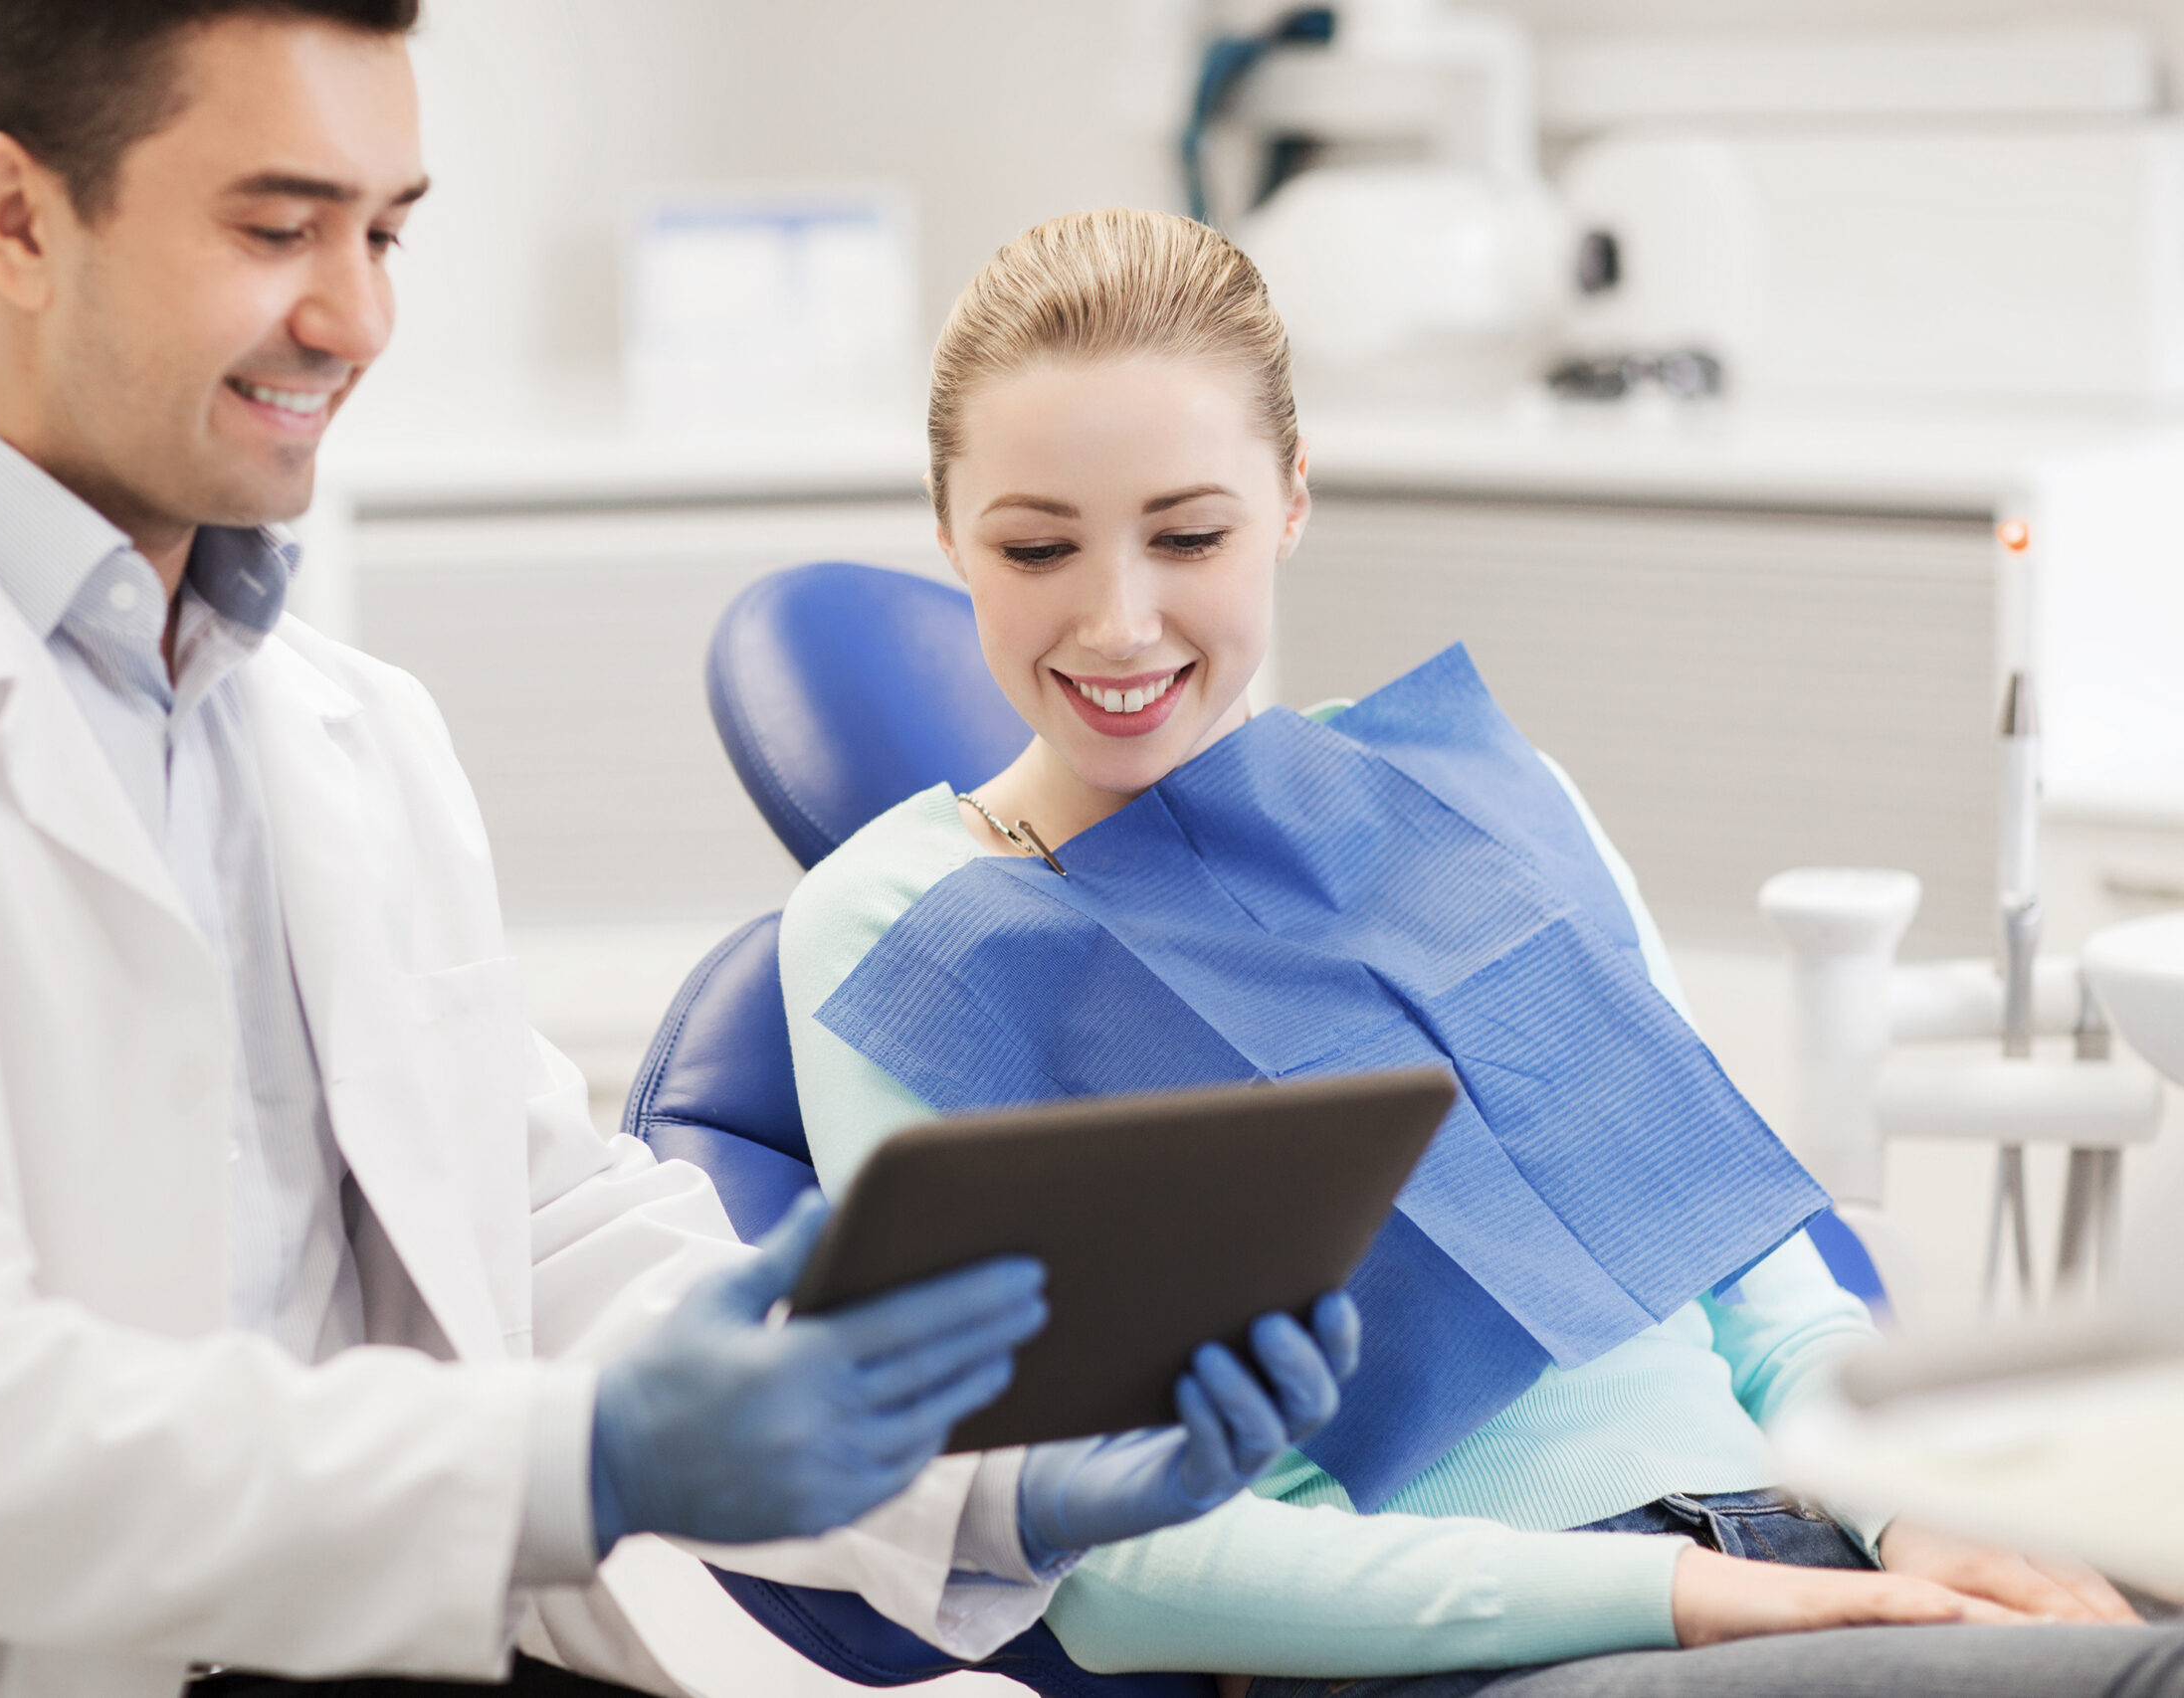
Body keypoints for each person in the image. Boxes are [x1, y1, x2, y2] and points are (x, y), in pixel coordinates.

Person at [0, 14, 1363, 1696]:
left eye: (384, 231)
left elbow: (540, 1242)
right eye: (276, 227)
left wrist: (990, 1480)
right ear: (17, 217)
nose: (356, 315)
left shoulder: (349, 729)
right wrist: (586, 1460)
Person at [778, 207, 2184, 1698]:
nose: (1118, 622)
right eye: (1037, 546)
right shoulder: (905, 933)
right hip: (1527, 1644)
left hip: (1820, 1556)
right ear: (948, 532)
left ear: (1295, 501)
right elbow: (1111, 1574)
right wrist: (1695, 1600)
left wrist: (1929, 1523)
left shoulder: (1476, 794)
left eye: (1190, 535)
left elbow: (1769, 1295)